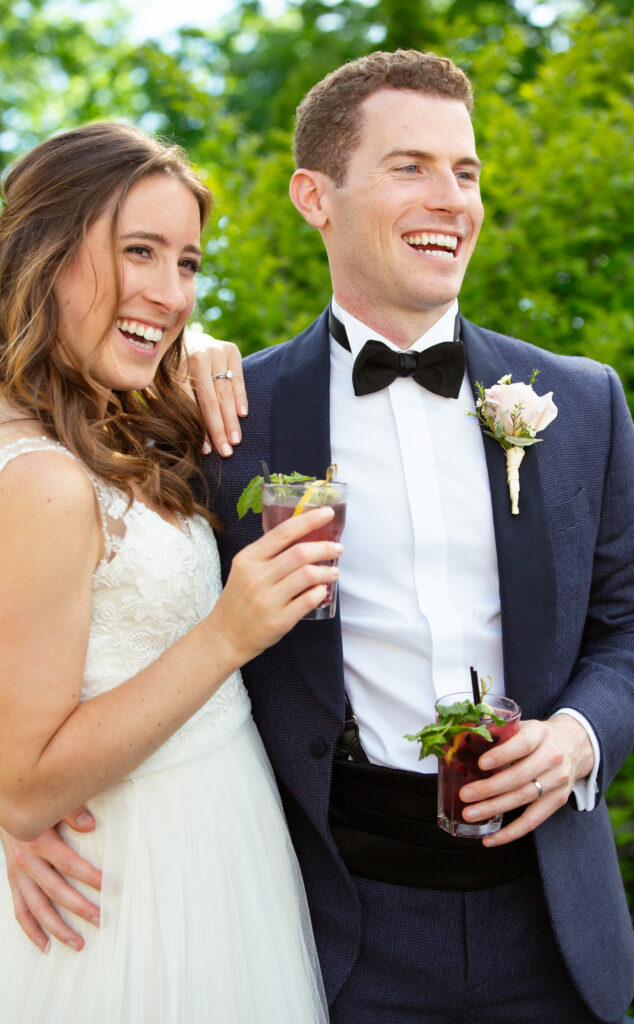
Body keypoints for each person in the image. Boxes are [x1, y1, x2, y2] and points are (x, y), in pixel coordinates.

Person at [4, 51, 634, 1024]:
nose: (448, 198)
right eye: (408, 166)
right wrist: (16, 807)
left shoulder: (579, 401)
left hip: (550, 921)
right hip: (329, 931)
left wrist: (577, 739)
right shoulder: (222, 420)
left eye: (465, 171)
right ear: (313, 196)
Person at [0, 122, 333, 1022]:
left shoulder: (93, 420)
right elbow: (26, 781)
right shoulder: (41, 479)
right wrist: (229, 633)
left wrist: (191, 348)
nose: (170, 291)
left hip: (220, 844)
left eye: (186, 263)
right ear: (45, 252)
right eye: (136, 250)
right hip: (133, 890)